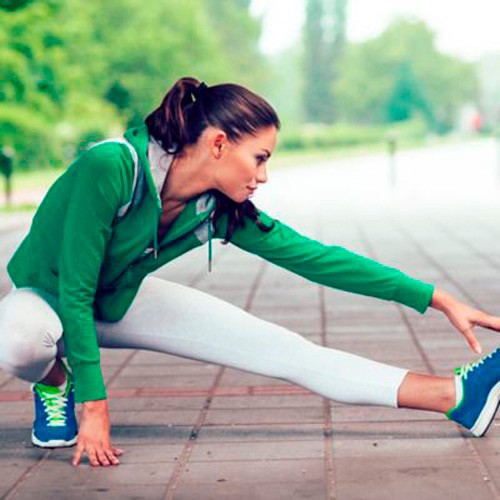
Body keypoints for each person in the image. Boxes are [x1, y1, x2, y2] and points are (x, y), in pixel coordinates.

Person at [0, 77, 499, 469]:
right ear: (218, 144)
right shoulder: (113, 167)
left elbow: (318, 258)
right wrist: (94, 403)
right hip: (48, 295)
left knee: (289, 352)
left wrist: (435, 297)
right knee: (17, 338)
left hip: (116, 300)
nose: (263, 175)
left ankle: (456, 397)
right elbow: (76, 286)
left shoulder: (219, 208)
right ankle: (53, 381)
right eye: (259, 158)